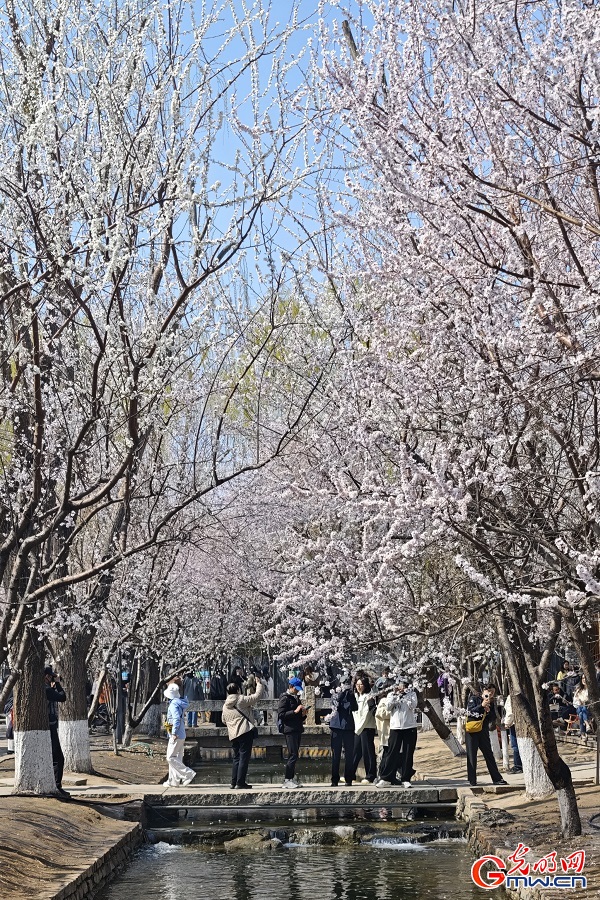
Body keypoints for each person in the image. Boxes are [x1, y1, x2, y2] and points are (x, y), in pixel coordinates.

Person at [222, 678, 265, 789]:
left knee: (236, 758)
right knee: (244, 758)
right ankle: (240, 783)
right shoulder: (240, 700)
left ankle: (233, 782)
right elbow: (256, 696)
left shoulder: (225, 704)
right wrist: (259, 684)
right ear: (238, 690)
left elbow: (223, 720)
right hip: (244, 732)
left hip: (233, 734)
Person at [376, 677, 418, 788]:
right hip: (395, 727)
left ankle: (405, 778)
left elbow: (413, 705)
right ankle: (386, 778)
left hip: (409, 726)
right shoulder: (391, 695)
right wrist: (396, 696)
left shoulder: (412, 694)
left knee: (408, 753)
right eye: (400, 685)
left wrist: (406, 697)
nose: (401, 687)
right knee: (392, 752)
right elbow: (389, 707)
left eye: (404, 685)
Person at [464, 686, 507, 787]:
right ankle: (472, 780)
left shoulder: (491, 703)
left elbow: (493, 718)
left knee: (489, 754)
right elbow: (470, 712)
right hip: (472, 731)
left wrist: (488, 711)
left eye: (492, 693)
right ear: (483, 691)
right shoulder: (474, 699)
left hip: (483, 731)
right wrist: (481, 706)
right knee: (471, 756)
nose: (490, 695)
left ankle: (497, 778)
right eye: (489, 692)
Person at [163, 678, 196, 786]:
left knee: (170, 757)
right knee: (176, 757)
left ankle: (188, 773)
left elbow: (176, 719)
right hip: (180, 733)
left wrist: (173, 733)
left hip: (176, 734)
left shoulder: (173, 705)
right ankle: (174, 780)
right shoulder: (179, 702)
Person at [327, 675, 357, 786]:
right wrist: (342, 693)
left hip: (348, 727)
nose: (346, 684)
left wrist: (350, 695)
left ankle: (348, 778)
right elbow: (337, 706)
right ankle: (334, 779)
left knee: (349, 754)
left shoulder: (351, 695)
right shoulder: (335, 693)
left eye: (348, 683)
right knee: (336, 754)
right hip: (336, 726)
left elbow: (354, 708)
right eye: (345, 682)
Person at [277, 676, 307, 789]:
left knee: (295, 754)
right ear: (291, 686)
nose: (298, 691)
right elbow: (282, 715)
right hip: (289, 729)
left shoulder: (295, 698)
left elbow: (297, 716)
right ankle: (287, 779)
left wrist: (303, 714)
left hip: (297, 728)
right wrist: (295, 711)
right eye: (296, 688)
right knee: (292, 754)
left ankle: (291, 778)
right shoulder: (285, 698)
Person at [44, 666, 69, 798]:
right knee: (58, 759)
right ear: (46, 676)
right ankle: (57, 786)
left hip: (49, 726)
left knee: (56, 758)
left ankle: (56, 785)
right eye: (51, 676)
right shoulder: (46, 689)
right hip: (49, 727)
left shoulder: (46, 688)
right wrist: (58, 683)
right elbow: (62, 697)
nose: (52, 678)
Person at [351, 676, 378, 784]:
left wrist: (359, 727)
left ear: (365, 685)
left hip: (366, 727)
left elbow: (367, 714)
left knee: (367, 751)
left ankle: (370, 775)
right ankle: (350, 773)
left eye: (361, 684)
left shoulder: (369, 696)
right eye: (357, 684)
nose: (359, 687)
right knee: (355, 751)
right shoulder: (356, 696)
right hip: (358, 727)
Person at [502, 694, 522, 774]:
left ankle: (518, 766)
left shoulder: (512, 696)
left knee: (515, 745)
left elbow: (510, 711)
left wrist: (507, 722)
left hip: (514, 723)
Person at [573, 677, 590, 741]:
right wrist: (579, 702)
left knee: (581, 714)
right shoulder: (578, 690)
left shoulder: (590, 689)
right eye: (583, 678)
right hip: (579, 707)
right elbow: (574, 703)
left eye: (585, 678)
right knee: (581, 708)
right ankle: (587, 724)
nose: (584, 680)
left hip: (589, 708)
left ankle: (583, 733)